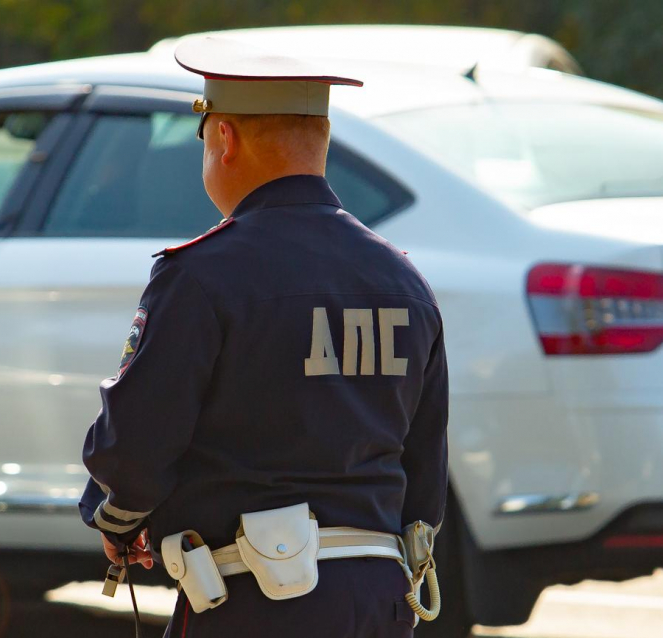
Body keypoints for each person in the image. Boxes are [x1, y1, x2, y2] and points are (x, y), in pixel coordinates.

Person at [79, 35, 449, 638]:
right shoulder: (405, 280)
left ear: (223, 139)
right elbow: (425, 470)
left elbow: (137, 445)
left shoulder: (200, 275)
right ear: (320, 142)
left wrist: (116, 521)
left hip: (253, 603)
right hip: (380, 603)